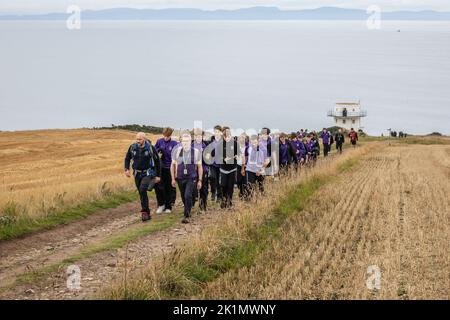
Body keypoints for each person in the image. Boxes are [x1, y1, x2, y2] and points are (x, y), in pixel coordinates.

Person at [124, 132, 161, 222]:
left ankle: (144, 212)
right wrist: (127, 169)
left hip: (148, 173)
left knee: (142, 189)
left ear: (144, 139)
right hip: (137, 173)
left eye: (140, 139)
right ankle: (146, 212)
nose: (138, 141)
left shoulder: (151, 148)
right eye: (137, 139)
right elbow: (127, 158)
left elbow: (157, 162)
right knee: (141, 193)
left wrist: (158, 176)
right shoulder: (132, 147)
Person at [171, 133, 203, 224]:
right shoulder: (176, 151)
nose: (185, 143)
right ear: (181, 142)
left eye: (187, 141)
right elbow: (172, 166)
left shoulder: (196, 152)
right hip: (180, 178)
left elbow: (200, 167)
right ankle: (188, 207)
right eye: (183, 141)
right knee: (183, 196)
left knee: (187, 195)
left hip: (191, 177)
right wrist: (173, 178)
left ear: (190, 142)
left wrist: (200, 180)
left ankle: (186, 215)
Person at [154, 127, 178, 214]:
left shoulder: (174, 143)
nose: (165, 137)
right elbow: (154, 152)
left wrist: (175, 171)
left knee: (168, 188)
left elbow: (176, 158)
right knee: (159, 187)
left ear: (170, 135)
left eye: (167, 136)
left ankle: (168, 206)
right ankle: (161, 205)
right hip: (160, 169)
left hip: (169, 168)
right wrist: (158, 153)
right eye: (164, 135)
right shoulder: (159, 141)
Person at [218, 127, 238, 209]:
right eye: (226, 137)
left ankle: (229, 201)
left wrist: (237, 156)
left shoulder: (235, 143)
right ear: (223, 137)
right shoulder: (220, 144)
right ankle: (223, 199)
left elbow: (239, 153)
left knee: (230, 186)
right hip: (223, 169)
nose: (227, 138)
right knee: (223, 185)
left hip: (232, 168)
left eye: (229, 136)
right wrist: (223, 159)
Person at [242, 135, 265, 199]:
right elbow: (245, 158)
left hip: (259, 171)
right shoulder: (248, 148)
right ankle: (249, 200)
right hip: (250, 170)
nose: (254, 144)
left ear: (258, 142)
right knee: (250, 186)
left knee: (261, 186)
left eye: (255, 142)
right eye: (252, 142)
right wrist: (243, 168)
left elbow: (264, 162)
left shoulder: (262, 150)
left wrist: (260, 171)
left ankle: (262, 200)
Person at [192, 129, 209, 213]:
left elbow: (207, 159)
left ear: (202, 137)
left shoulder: (205, 146)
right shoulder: (191, 145)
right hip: (193, 171)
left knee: (203, 189)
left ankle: (203, 206)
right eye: (196, 136)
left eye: (200, 136)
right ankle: (190, 204)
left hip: (203, 169)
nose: (198, 137)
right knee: (193, 188)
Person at [209, 125, 223, 202]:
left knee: (219, 180)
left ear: (221, 132)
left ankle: (219, 196)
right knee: (213, 178)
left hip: (221, 164)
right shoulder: (211, 140)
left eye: (218, 132)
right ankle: (213, 193)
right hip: (213, 163)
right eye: (215, 132)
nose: (216, 133)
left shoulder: (223, 141)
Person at [236, 133, 248, 199]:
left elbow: (246, 156)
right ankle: (240, 191)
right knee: (239, 180)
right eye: (240, 138)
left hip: (245, 165)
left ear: (245, 139)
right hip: (238, 165)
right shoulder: (237, 146)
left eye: (243, 138)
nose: (242, 139)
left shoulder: (247, 147)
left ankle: (244, 194)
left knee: (245, 180)